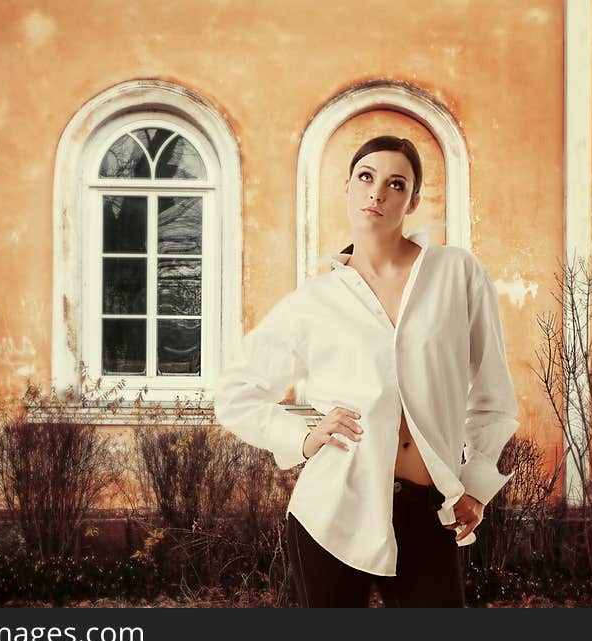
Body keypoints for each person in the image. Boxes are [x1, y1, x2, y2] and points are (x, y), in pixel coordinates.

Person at [213, 135, 520, 607]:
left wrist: (476, 486)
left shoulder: (457, 273)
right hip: (333, 509)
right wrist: (305, 434)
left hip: (428, 506)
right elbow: (236, 392)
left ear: (413, 199)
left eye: (396, 184)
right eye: (366, 177)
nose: (377, 193)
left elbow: (493, 397)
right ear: (348, 187)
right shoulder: (314, 302)